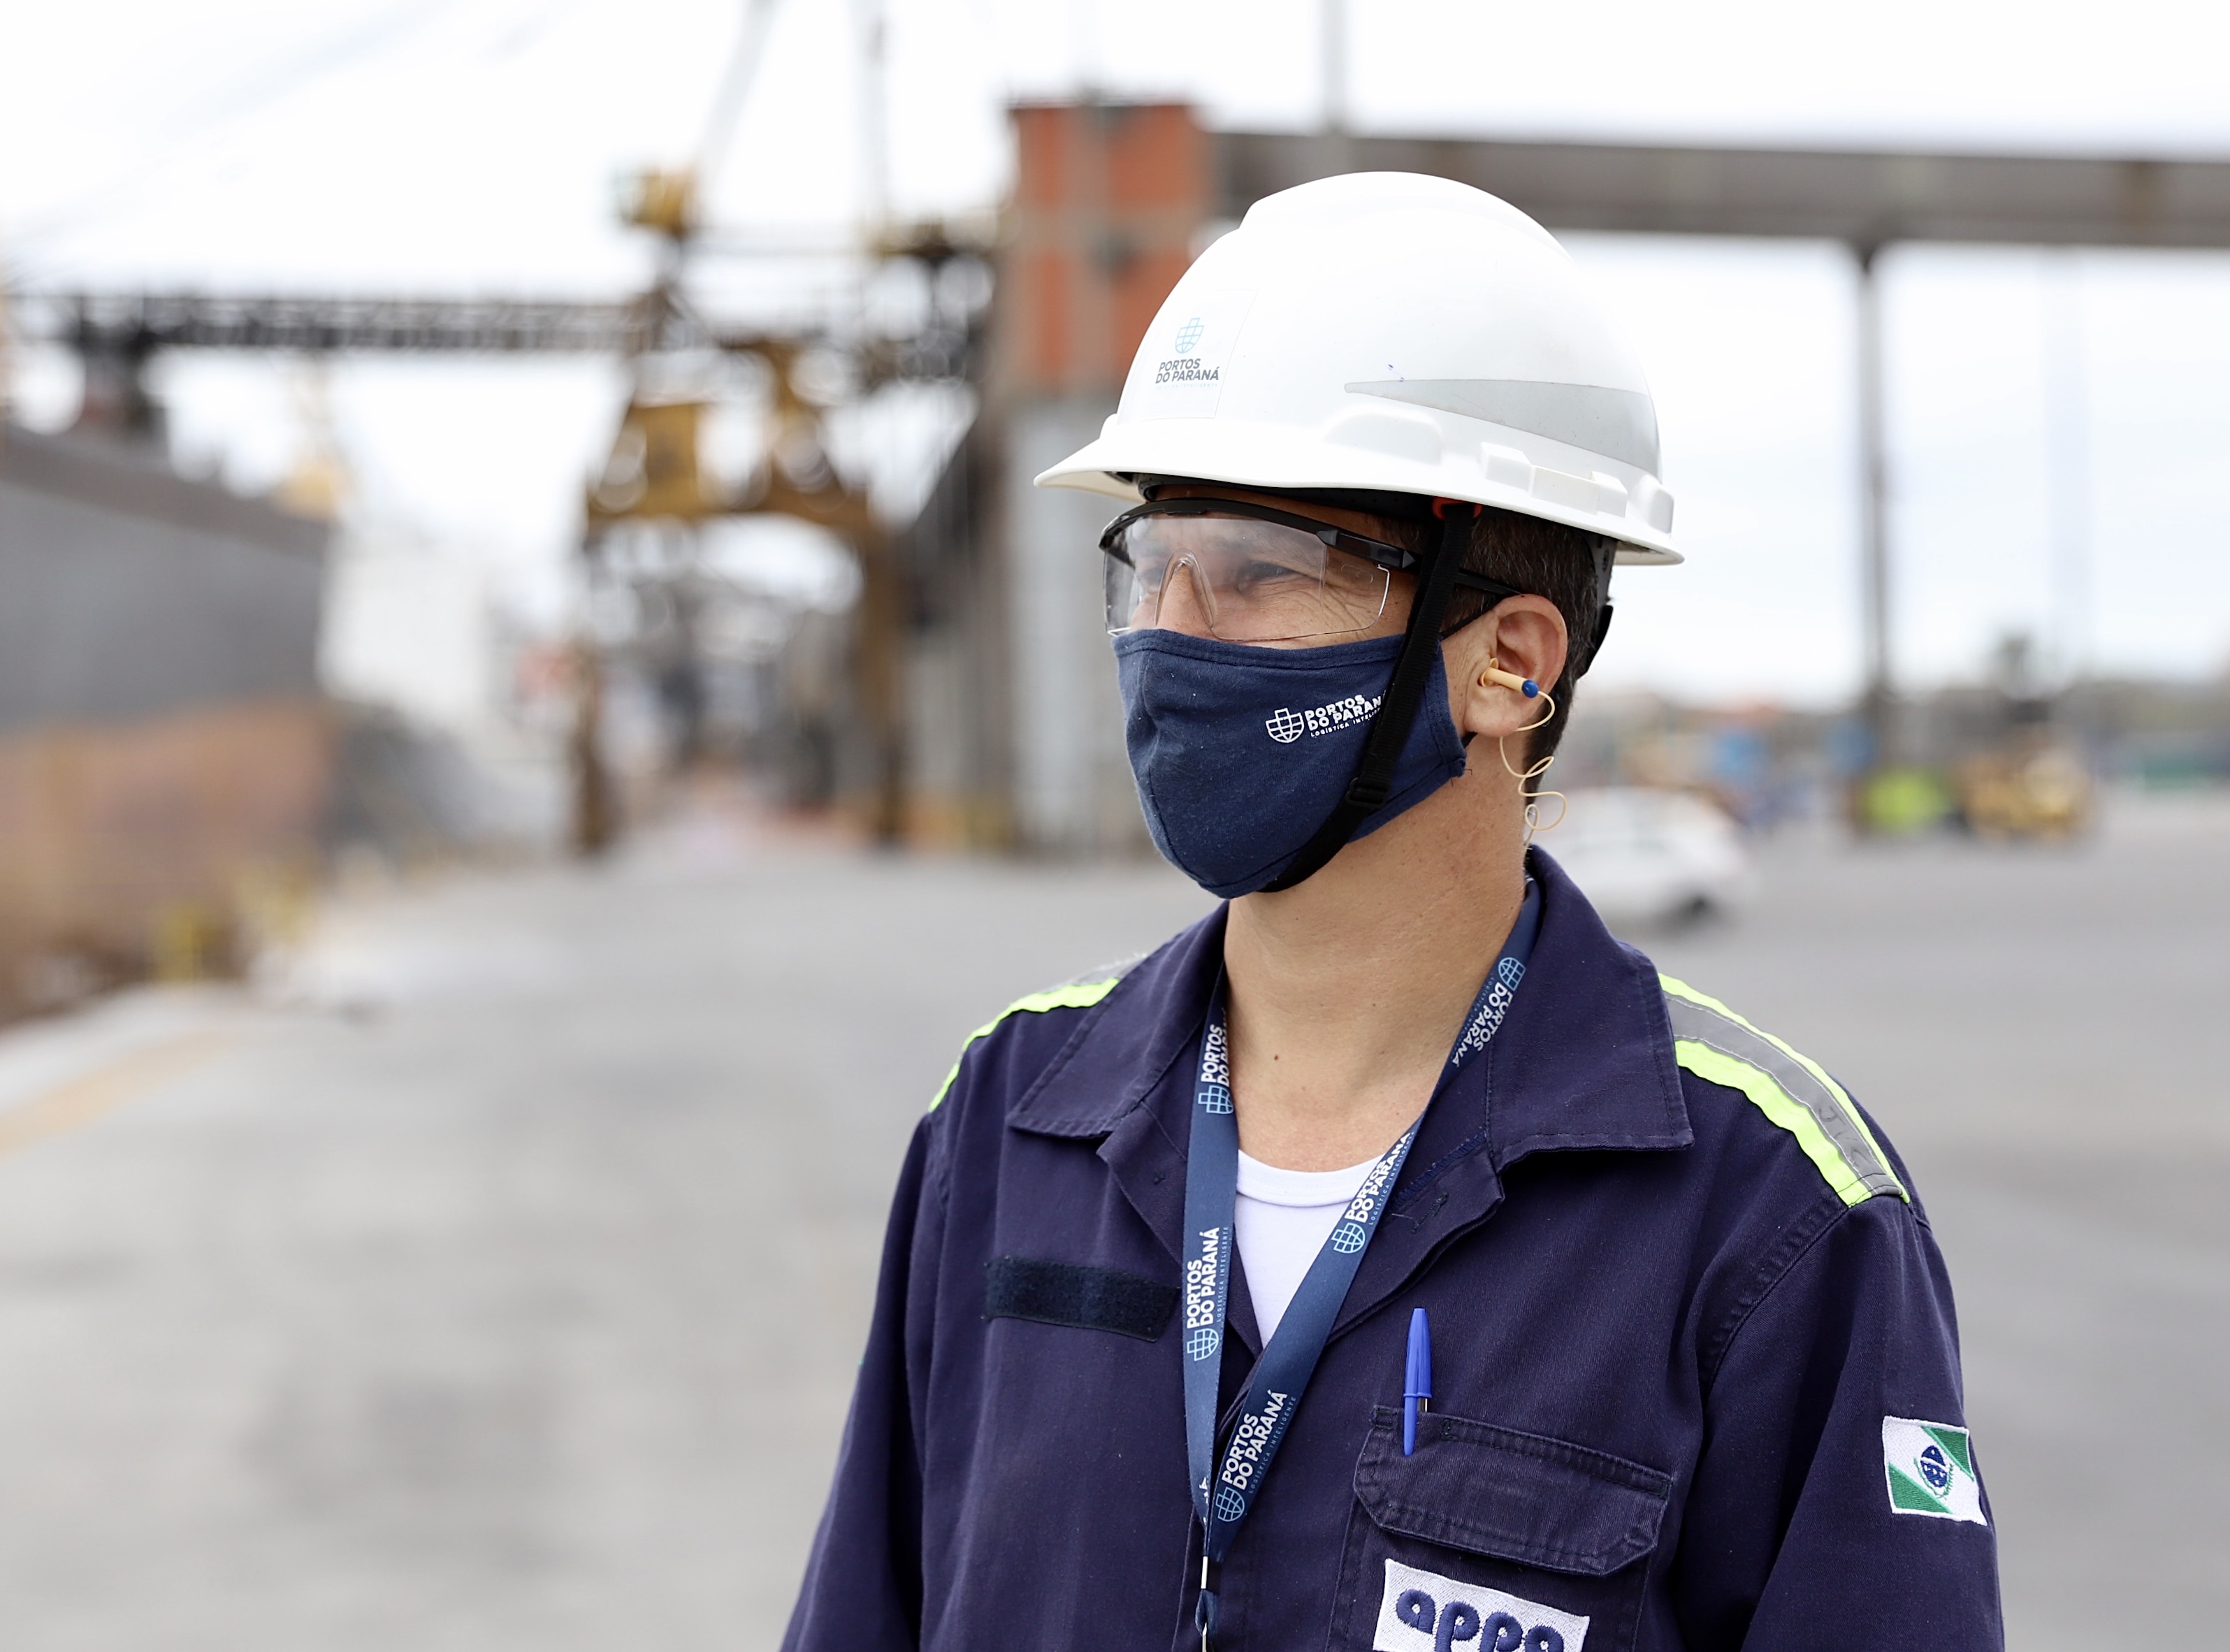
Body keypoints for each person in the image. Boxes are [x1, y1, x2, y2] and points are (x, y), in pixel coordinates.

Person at [781, 173, 2001, 1652]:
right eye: (1152, 570)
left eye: (1256, 577)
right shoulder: (1006, 1123)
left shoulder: (1770, 1213)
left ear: (1510, 663)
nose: (1171, 641)